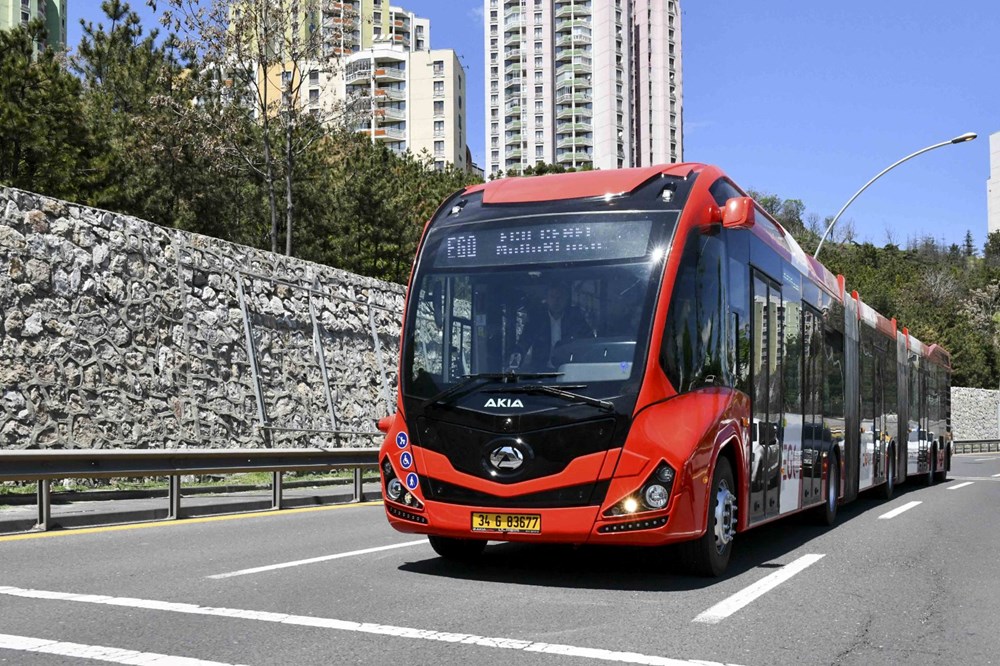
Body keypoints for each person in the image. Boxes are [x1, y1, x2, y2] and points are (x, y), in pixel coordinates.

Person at [510, 283, 593, 370]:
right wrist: (515, 362)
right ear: (547, 299)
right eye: (552, 297)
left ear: (566, 299)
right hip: (541, 371)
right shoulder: (537, 320)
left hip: (570, 369)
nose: (556, 301)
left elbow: (589, 342)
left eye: (560, 297)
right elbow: (524, 343)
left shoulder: (575, 319)